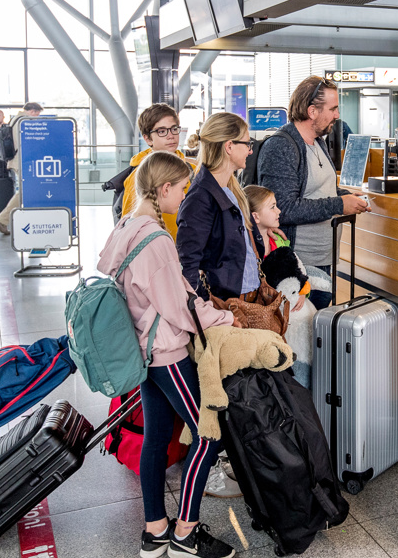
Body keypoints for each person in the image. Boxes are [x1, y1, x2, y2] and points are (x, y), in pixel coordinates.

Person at [95, 151, 240, 558]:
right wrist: (223, 319)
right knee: (208, 433)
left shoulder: (125, 226)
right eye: (181, 188)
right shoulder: (155, 239)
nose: (184, 196)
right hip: (165, 352)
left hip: (140, 348)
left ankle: (155, 531)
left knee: (156, 439)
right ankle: (186, 535)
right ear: (163, 189)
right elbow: (179, 305)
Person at [257, 76, 370, 308]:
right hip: (296, 268)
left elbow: (319, 188)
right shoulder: (282, 147)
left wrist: (344, 195)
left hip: (323, 260)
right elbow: (283, 208)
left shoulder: (318, 142)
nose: (337, 116)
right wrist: (339, 205)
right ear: (312, 111)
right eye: (333, 109)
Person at [177, 113, 264, 302]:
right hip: (224, 304)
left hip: (246, 297)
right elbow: (188, 262)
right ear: (229, 146)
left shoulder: (231, 188)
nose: (250, 151)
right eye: (247, 144)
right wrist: (199, 310)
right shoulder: (200, 198)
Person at [121, 103, 188, 238]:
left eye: (174, 129)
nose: (171, 136)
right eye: (161, 131)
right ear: (147, 139)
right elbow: (129, 224)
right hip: (156, 248)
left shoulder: (191, 170)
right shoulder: (139, 177)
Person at [0, 102, 43, 235]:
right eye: (37, 114)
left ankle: (3, 220)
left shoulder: (15, 120)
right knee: (25, 191)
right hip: (22, 161)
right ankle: (2, 220)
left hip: (15, 161)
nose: (38, 117)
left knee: (26, 191)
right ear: (32, 111)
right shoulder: (24, 121)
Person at [244, 184, 288, 256]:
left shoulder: (279, 241)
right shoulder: (246, 249)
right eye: (272, 207)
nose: (279, 211)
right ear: (255, 217)